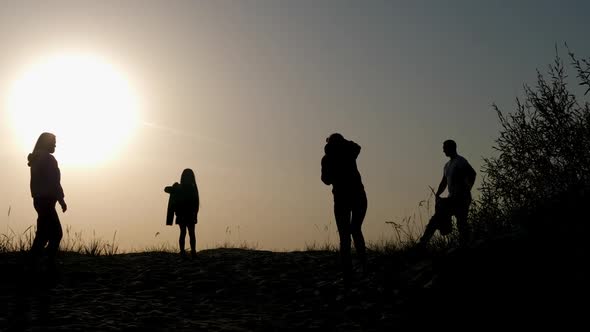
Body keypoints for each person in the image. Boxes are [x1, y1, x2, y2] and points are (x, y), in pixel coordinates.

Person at [321, 133, 368, 279]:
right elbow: (356, 146)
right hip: (357, 196)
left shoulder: (327, 158)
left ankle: (348, 270)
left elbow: (325, 180)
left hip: (343, 198)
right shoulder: (349, 152)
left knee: (345, 235)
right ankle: (363, 266)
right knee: (355, 230)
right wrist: (342, 142)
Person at [418, 139, 476, 248]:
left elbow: (472, 174)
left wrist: (468, 189)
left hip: (462, 198)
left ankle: (467, 244)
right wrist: (437, 194)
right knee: (436, 219)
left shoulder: (461, 161)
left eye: (445, 148)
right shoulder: (447, 165)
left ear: (451, 148)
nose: (443, 151)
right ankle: (423, 243)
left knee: (461, 222)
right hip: (452, 198)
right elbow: (444, 181)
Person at [27, 132, 67, 270]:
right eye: (53, 142)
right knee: (56, 233)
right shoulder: (48, 159)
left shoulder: (36, 159)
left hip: (38, 200)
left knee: (43, 234)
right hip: (46, 201)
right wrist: (61, 199)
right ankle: (49, 262)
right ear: (46, 143)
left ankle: (34, 261)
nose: (55, 144)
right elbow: (54, 182)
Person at [165, 168, 200, 258]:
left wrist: (174, 188)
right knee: (186, 232)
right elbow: (166, 189)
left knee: (188, 233)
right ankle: (186, 251)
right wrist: (174, 187)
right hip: (184, 214)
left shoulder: (190, 188)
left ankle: (190, 251)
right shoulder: (190, 187)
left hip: (186, 214)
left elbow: (196, 203)